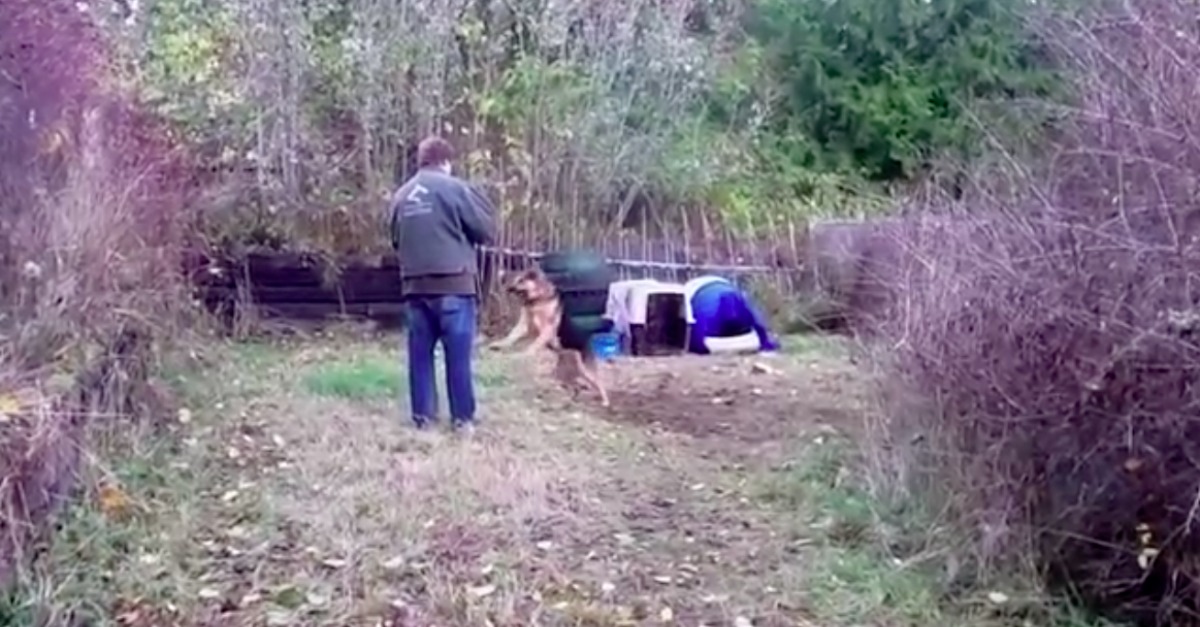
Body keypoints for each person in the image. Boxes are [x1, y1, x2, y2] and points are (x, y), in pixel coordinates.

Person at [388, 136, 496, 434]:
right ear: (446, 162)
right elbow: (485, 230)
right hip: (454, 285)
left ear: (421, 161)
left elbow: (395, 239)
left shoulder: (401, 196)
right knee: (457, 355)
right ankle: (462, 419)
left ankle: (423, 418)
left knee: (420, 356)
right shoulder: (456, 189)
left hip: (415, 288)